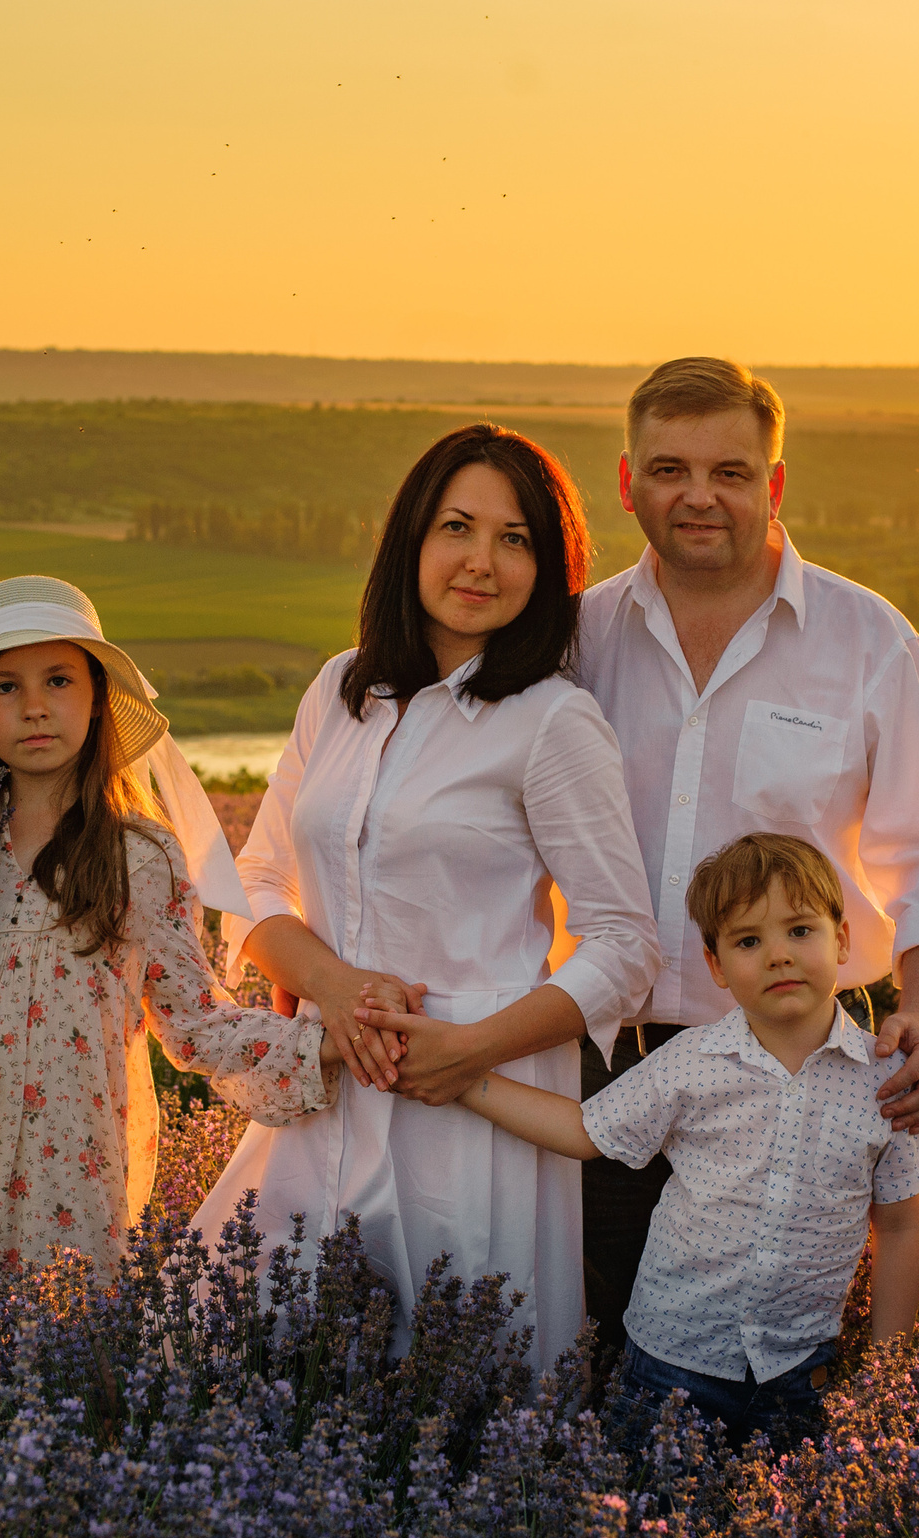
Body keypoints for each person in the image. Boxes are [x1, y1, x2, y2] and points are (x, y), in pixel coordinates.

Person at [188, 424, 662, 1370]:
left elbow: (623, 945)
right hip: (328, 1077)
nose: (481, 562)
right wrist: (331, 984)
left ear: (549, 565)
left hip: (477, 1101)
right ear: (412, 537)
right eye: (457, 526)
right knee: (239, 1344)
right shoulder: (342, 687)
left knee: (461, 1383)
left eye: (516, 538)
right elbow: (257, 879)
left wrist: (469, 1052)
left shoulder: (552, 721)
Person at [570, 356, 919, 1373]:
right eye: (668, 469)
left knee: (778, 1348)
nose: (699, 495)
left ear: (775, 482)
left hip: (798, 1057)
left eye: (730, 470)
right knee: (598, 1333)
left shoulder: (866, 639)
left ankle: (791, 1518)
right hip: (607, 1050)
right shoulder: (578, 638)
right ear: (627, 485)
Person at [0, 575, 350, 1342]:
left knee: (54, 1366)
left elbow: (194, 1024)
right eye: (6, 686)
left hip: (64, 1172)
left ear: (98, 697)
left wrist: (323, 1043)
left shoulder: (141, 857)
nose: (35, 706)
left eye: (59, 680)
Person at [403, 832, 919, 1452]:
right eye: (749, 941)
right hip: (670, 1363)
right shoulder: (693, 1061)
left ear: (843, 941)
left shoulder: (890, 1081)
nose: (779, 956)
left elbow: (902, 1227)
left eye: (800, 931)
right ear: (716, 967)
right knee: (640, 1522)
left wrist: (887, 1375)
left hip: (799, 1372)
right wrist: (466, 1080)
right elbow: (584, 1132)